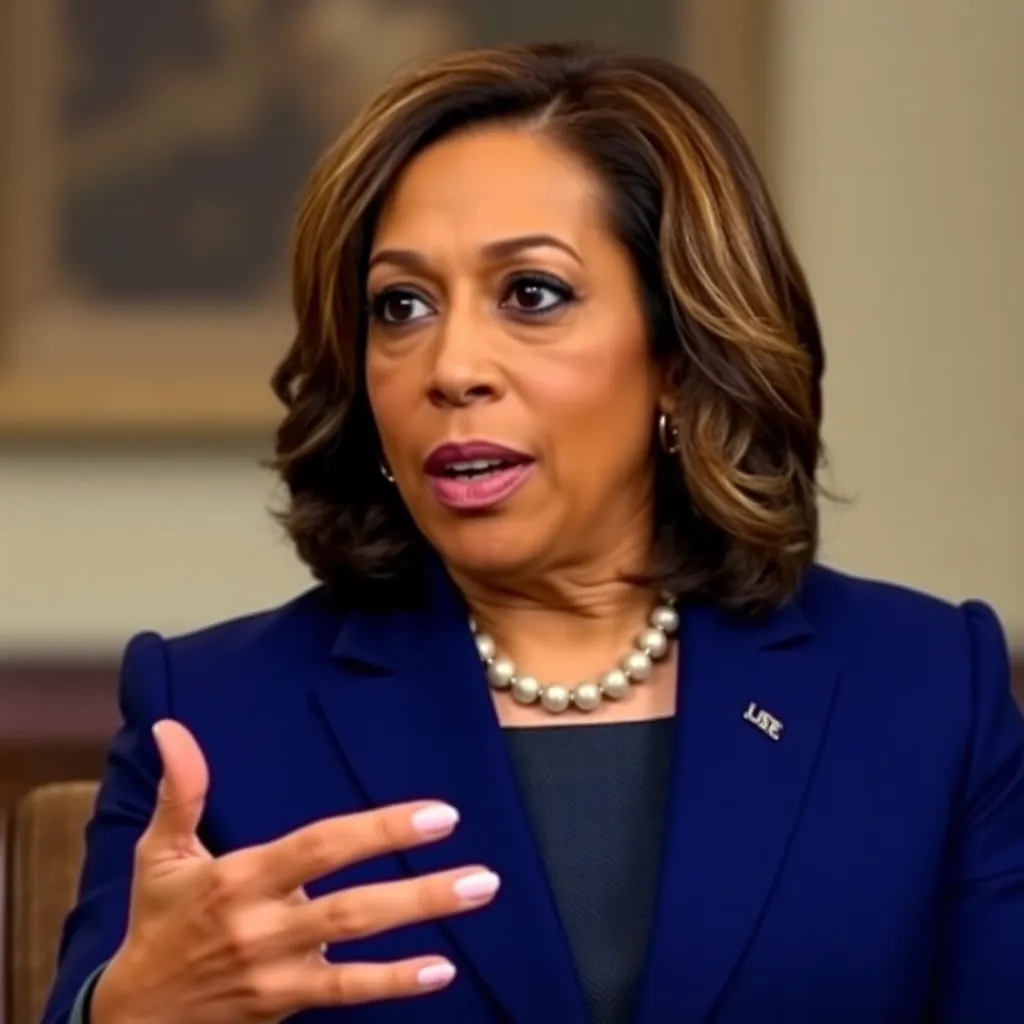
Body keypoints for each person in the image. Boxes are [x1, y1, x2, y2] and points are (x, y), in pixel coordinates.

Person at [43, 42, 1024, 1024]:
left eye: (531, 294)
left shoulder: (928, 690)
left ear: (678, 358)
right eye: (401, 306)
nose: (451, 367)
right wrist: (125, 1012)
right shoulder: (211, 714)